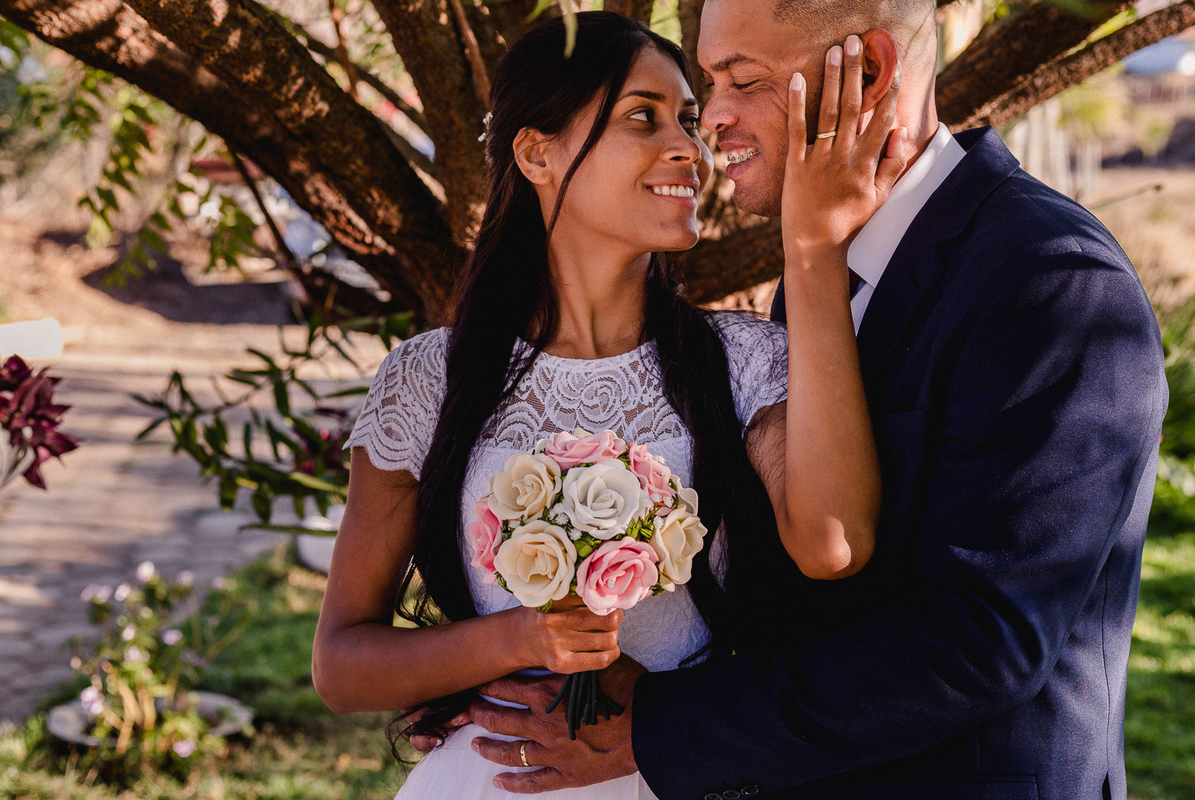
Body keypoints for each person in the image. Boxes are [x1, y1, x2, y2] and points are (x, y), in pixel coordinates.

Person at [465, 1, 1168, 798]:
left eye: (744, 80)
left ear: (865, 73)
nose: (714, 121)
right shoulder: (812, 287)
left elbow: (980, 641)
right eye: (710, 82)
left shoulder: (1053, 283)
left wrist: (657, 725)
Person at [312, 10, 905, 800]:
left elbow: (832, 542)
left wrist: (812, 246)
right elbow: (342, 663)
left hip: (673, 771)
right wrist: (521, 637)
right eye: (643, 118)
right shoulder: (428, 382)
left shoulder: (746, 362)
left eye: (689, 123)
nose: (688, 149)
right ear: (537, 152)